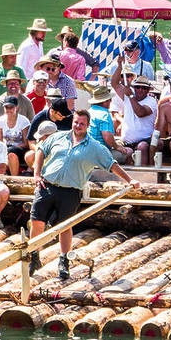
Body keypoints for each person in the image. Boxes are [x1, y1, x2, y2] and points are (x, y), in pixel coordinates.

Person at [30, 109, 141, 278]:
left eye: (82, 123)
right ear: (72, 122)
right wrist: (36, 174)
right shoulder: (58, 136)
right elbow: (41, 150)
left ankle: (64, 260)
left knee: (65, 226)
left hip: (70, 190)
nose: (78, 126)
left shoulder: (95, 147)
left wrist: (129, 180)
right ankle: (33, 256)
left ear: (88, 126)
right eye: (76, 122)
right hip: (47, 184)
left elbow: (111, 164)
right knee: (37, 222)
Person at [111, 60, 158, 165]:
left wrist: (131, 96)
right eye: (138, 87)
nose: (140, 90)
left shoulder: (151, 101)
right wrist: (119, 66)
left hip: (144, 140)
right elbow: (114, 83)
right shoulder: (128, 95)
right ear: (134, 88)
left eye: (144, 88)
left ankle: (144, 173)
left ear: (148, 90)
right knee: (114, 145)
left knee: (142, 147)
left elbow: (140, 112)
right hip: (126, 141)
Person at [87, 86, 132, 163]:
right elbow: (107, 136)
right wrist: (117, 147)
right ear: (105, 102)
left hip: (88, 151)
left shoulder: (89, 111)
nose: (111, 101)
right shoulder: (104, 114)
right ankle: (122, 174)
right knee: (129, 151)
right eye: (110, 100)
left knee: (120, 142)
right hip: (99, 154)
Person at [26, 98, 73, 163]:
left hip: (64, 149)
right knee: (29, 156)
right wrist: (38, 149)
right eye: (61, 115)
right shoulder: (39, 118)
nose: (63, 117)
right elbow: (31, 140)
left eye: (65, 115)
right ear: (52, 111)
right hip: (43, 148)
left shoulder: (69, 118)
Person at [0, 96, 31, 176]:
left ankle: (14, 178)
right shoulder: (0, 121)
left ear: (17, 107)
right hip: (6, 149)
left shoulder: (24, 121)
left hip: (21, 150)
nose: (9, 110)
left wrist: (11, 148)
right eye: (7, 107)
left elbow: (26, 143)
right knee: (6, 153)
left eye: (11, 107)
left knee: (11, 152)